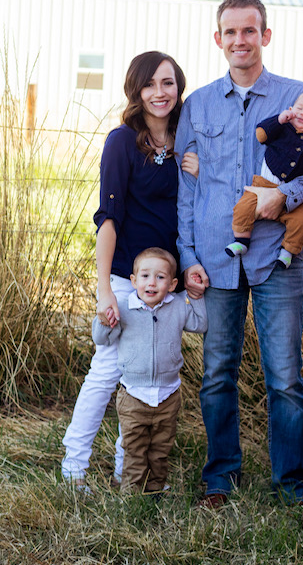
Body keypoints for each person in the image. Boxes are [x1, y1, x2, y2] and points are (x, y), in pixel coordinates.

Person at [175, 0, 303, 508]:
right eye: (230, 33)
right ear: (218, 39)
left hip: (278, 259)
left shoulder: (301, 98)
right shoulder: (199, 105)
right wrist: (187, 257)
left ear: (265, 36)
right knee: (217, 374)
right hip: (215, 254)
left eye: (249, 31)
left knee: (285, 378)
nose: (240, 41)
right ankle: (219, 477)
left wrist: (287, 195)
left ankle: (292, 482)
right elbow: (188, 190)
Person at [61, 51, 198, 491]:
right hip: (127, 278)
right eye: (150, 84)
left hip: (166, 280)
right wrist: (105, 290)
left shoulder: (186, 140)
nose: (160, 93)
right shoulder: (122, 141)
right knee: (108, 369)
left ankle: (128, 471)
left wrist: (196, 167)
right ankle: (74, 466)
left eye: (169, 83)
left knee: (146, 376)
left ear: (179, 89)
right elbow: (109, 219)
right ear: (136, 90)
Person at [91, 247, 207, 493]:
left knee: (160, 448)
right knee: (134, 448)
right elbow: (102, 338)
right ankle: (131, 494)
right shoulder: (124, 307)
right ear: (133, 281)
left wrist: (195, 297)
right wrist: (104, 317)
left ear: (173, 283)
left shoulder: (177, 306)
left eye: (160, 277)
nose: (151, 283)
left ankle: (155, 490)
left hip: (168, 395)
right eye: (144, 276)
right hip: (133, 396)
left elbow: (200, 323)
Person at [225, 90, 303, 268]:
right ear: (290, 109)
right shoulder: (283, 128)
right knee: (243, 207)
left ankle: (288, 251)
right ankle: (241, 241)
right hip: (263, 185)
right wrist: (279, 120)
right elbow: (261, 134)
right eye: (300, 108)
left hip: (292, 197)